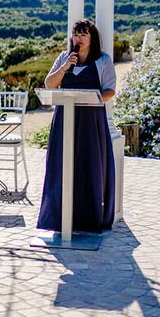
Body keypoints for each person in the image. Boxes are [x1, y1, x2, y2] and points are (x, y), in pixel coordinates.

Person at [37, 19, 117, 233]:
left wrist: (95, 98)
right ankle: (59, 217)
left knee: (89, 164)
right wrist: (64, 68)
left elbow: (110, 90)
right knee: (62, 164)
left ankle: (89, 218)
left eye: (83, 35)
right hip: (65, 118)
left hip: (91, 121)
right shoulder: (64, 58)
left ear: (92, 39)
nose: (78, 39)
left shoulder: (103, 60)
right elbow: (49, 85)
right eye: (76, 34)